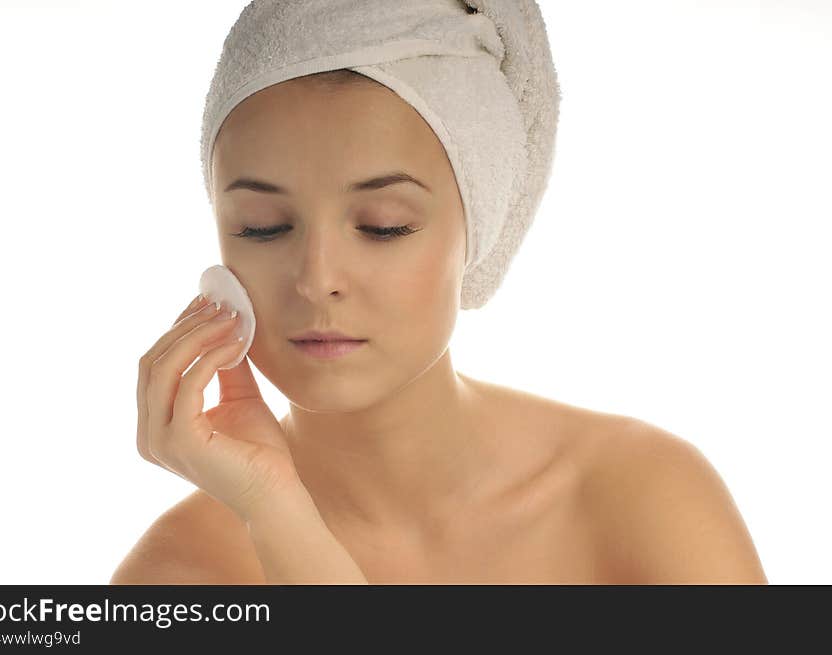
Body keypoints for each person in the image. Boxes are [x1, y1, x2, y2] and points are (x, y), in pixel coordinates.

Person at [109, 69, 767, 584]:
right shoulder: (176, 576)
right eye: (262, 225)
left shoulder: (643, 493)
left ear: (477, 230)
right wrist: (275, 512)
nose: (317, 278)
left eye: (384, 224)